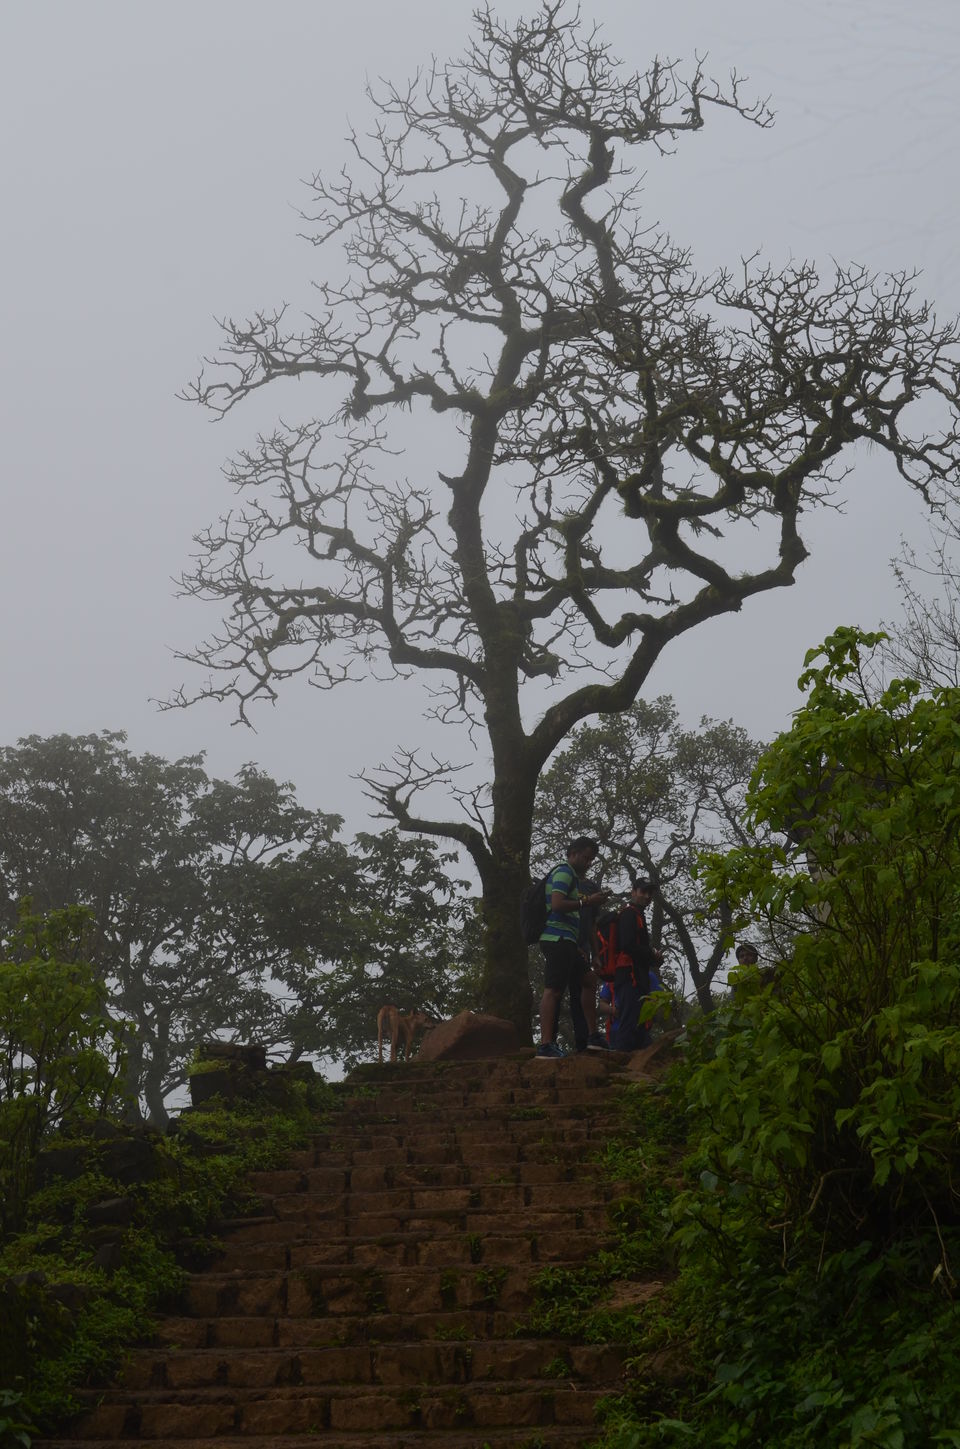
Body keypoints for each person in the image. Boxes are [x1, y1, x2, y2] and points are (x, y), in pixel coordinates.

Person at [537, 837, 608, 1060]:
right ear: (573, 853)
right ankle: (545, 1045)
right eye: (586, 858)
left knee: (589, 980)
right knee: (554, 990)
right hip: (557, 939)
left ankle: (592, 1036)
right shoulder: (564, 872)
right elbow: (557, 904)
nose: (589, 863)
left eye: (591, 859)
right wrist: (587, 901)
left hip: (568, 941)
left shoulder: (573, 878)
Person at [613, 877, 662, 1053]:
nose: (647, 896)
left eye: (650, 893)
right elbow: (627, 945)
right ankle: (621, 1061)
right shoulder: (629, 914)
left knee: (640, 1022)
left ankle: (639, 1060)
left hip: (638, 975)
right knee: (629, 1020)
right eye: (643, 891)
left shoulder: (638, 914)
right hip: (629, 975)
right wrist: (650, 953)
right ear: (633, 892)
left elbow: (636, 948)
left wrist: (653, 959)